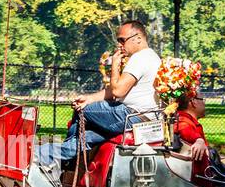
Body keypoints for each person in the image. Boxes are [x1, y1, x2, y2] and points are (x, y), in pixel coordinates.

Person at [52, 20, 161, 166]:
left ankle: (66, 164)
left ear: (139, 38)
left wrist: (115, 64)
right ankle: (56, 156)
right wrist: (89, 98)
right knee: (88, 137)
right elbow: (116, 90)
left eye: (122, 40)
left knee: (81, 109)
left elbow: (117, 91)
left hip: (130, 116)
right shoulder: (152, 57)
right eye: (118, 41)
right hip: (143, 118)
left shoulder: (140, 58)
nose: (119, 45)